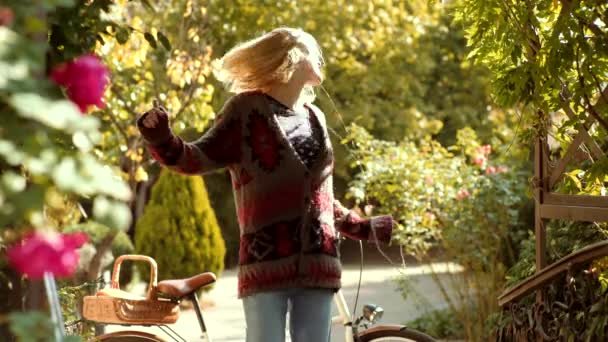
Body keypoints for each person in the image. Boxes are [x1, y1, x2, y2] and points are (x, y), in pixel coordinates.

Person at [137, 27, 395, 342]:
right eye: (311, 51)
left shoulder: (316, 117)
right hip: (265, 267)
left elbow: (322, 197)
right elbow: (196, 158)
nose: (319, 59)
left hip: (319, 264)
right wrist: (161, 138)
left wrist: (362, 227)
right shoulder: (245, 111)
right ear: (291, 58)